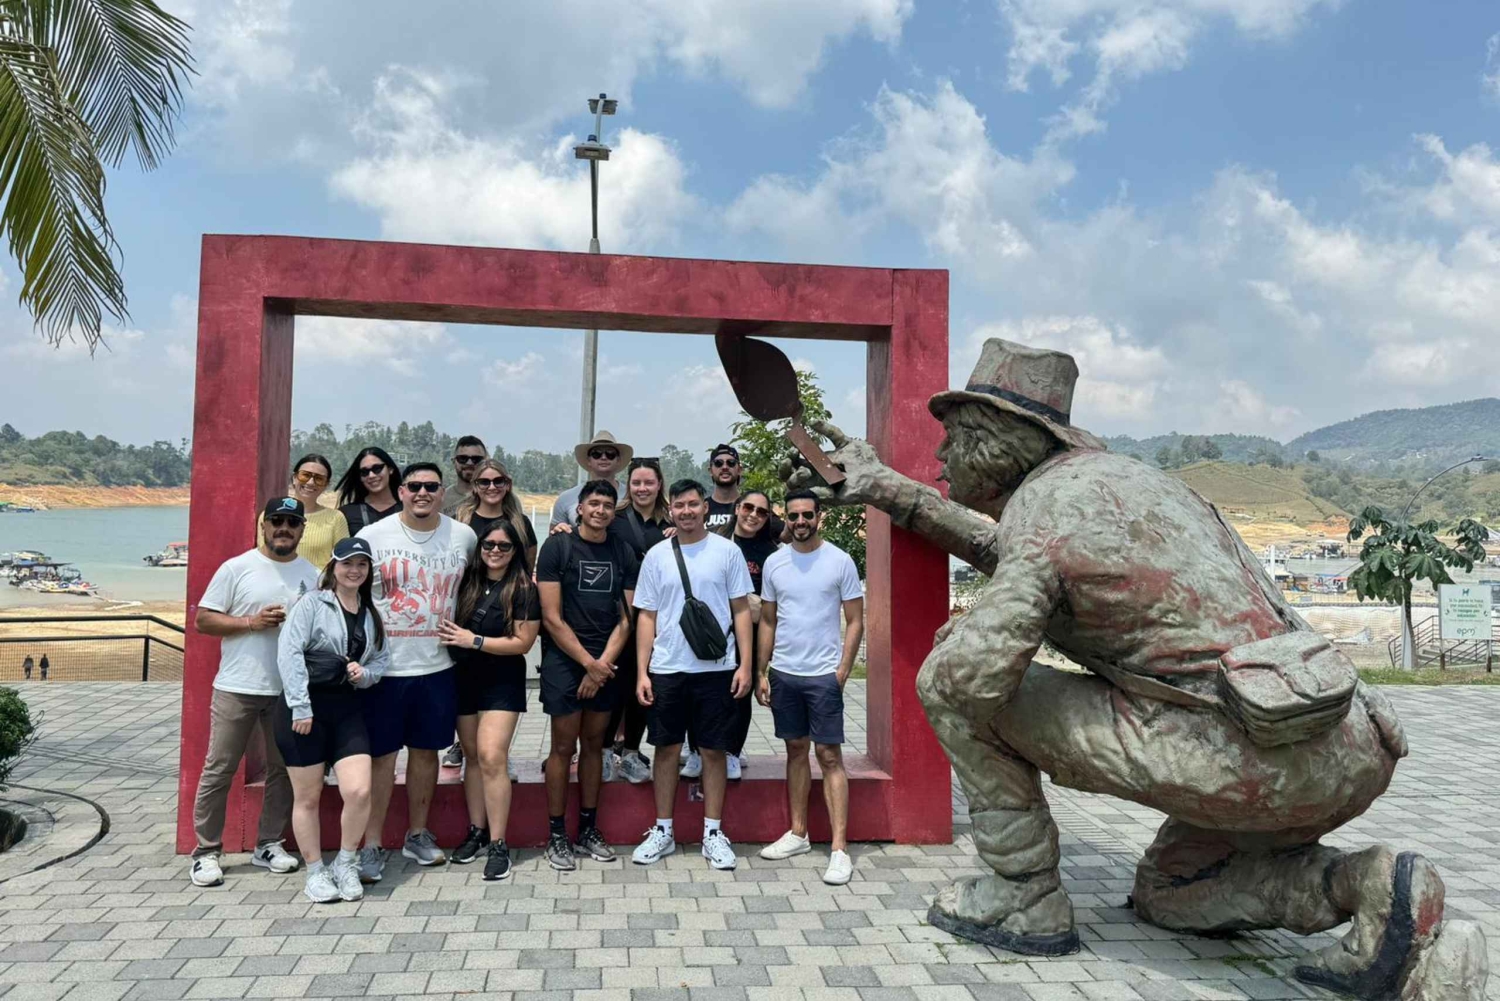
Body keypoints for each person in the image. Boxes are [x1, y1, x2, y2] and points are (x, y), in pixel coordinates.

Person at [780, 339, 1487, 999]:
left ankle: (1022, 894)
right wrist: (886, 488)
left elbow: (974, 679)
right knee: (1172, 892)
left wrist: (968, 638)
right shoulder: (1127, 486)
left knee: (946, 679)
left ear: (992, 441)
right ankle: (1372, 889)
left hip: (1243, 755)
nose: (940, 453)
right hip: (1340, 742)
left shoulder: (1045, 509)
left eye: (953, 436)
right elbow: (1012, 551)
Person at [188, 497, 319, 888]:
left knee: (284, 770)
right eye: (276, 520)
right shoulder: (237, 567)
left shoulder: (312, 574)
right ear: (264, 525)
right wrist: (251, 622)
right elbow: (203, 620)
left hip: (288, 692)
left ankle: (268, 844)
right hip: (237, 686)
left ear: (302, 529)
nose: (284, 528)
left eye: (292, 522)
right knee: (219, 768)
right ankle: (206, 852)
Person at [355, 463, 477, 879]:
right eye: (414, 486)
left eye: (431, 486)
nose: (422, 493)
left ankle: (418, 834)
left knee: (426, 754)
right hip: (385, 669)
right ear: (401, 491)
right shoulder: (373, 536)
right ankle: (371, 844)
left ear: (443, 493)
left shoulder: (463, 536)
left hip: (438, 666)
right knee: (382, 758)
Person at [631, 479, 754, 871]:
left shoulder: (727, 552)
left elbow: (741, 610)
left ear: (705, 507)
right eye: (679, 506)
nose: (686, 511)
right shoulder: (656, 556)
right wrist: (642, 671)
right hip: (667, 667)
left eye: (692, 504)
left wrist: (746, 665)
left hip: (716, 669)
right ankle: (663, 829)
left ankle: (713, 832)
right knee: (666, 749)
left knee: (714, 751)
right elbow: (646, 616)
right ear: (670, 510)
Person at [754, 490, 865, 886]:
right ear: (786, 518)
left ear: (820, 517)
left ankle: (839, 849)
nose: (800, 522)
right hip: (784, 673)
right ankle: (798, 834)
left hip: (823, 676)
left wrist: (842, 671)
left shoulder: (840, 561)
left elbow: (855, 620)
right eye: (794, 516)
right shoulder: (775, 562)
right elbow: (768, 620)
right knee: (796, 751)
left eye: (807, 515)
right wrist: (761, 671)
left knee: (829, 756)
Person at [274, 537, 390, 903]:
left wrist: (364, 674)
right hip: (305, 709)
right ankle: (314, 871)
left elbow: (382, 659)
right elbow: (290, 652)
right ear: (333, 567)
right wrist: (300, 706)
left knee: (359, 790)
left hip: (347, 708)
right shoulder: (311, 603)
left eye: (361, 564)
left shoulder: (371, 612)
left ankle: (346, 861)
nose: (354, 570)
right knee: (307, 797)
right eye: (347, 563)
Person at [535, 479, 638, 870]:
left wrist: (602, 666)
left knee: (595, 745)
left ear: (614, 511)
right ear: (579, 508)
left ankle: (588, 828)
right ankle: (557, 833)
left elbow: (627, 619)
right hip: (566, 661)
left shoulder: (623, 551)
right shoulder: (557, 547)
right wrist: (587, 664)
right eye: (593, 503)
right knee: (564, 748)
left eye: (607, 505)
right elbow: (551, 617)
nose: (600, 510)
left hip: (606, 662)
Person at [438, 518, 540, 881]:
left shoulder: (523, 588)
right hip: (464, 678)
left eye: (504, 546)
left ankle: (499, 843)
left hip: (502, 681)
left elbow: (523, 643)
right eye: (489, 545)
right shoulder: (466, 582)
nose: (495, 551)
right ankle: (477, 831)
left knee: (492, 756)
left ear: (515, 551)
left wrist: (474, 641)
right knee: (472, 757)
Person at [446, 457, 537, 771]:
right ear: (474, 486)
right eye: (484, 481)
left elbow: (526, 566)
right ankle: (464, 746)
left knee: (491, 751)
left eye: (498, 481)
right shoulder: (460, 520)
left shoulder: (520, 523)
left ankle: (495, 756)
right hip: (467, 609)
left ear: (508, 485)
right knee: (474, 745)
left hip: (504, 611)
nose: (491, 487)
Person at [682, 488, 779, 781]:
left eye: (761, 512)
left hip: (749, 633)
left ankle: (732, 752)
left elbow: (772, 603)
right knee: (701, 691)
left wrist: (758, 606)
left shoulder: (771, 554)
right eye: (748, 508)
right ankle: (696, 750)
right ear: (737, 508)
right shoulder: (715, 542)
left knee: (740, 693)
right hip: (711, 631)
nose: (753, 515)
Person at [602, 457, 674, 784]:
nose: (642, 488)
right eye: (636, 483)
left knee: (643, 686)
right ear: (628, 486)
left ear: (659, 485)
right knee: (613, 684)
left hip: (657, 618)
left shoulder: (671, 522)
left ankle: (631, 750)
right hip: (616, 615)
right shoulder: (614, 519)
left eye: (649, 482)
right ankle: (604, 750)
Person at [259, 454, 349, 571]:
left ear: (326, 485)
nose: (311, 482)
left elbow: (344, 560)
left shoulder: (336, 518)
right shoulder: (272, 515)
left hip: (318, 582)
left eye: (319, 479)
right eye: (305, 475)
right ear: (294, 478)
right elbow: (263, 556)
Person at [549, 432, 632, 531]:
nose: (603, 457)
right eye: (596, 454)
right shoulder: (565, 498)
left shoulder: (631, 496)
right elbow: (553, 534)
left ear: (618, 460)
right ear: (588, 460)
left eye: (610, 454)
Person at [704, 444, 785, 539]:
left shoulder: (754, 507)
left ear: (739, 470)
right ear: (710, 471)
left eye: (731, 463)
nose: (725, 467)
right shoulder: (700, 508)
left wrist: (794, 491)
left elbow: (785, 536)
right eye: (718, 463)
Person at [336, 447, 403, 535]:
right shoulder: (346, 514)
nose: (371, 475)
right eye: (364, 472)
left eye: (377, 468)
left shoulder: (408, 510)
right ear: (360, 477)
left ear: (390, 469)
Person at [442, 435, 489, 517]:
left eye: (476, 459)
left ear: (486, 462)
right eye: (463, 458)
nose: (469, 463)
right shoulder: (441, 499)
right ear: (454, 461)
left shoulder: (497, 496)